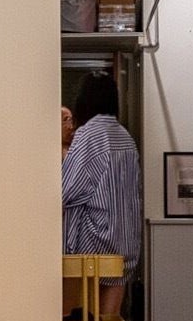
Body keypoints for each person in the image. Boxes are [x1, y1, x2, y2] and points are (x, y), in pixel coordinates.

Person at [61, 72, 142, 266]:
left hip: (94, 242)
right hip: (126, 239)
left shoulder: (87, 135)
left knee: (86, 297)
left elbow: (68, 189)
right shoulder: (126, 137)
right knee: (115, 292)